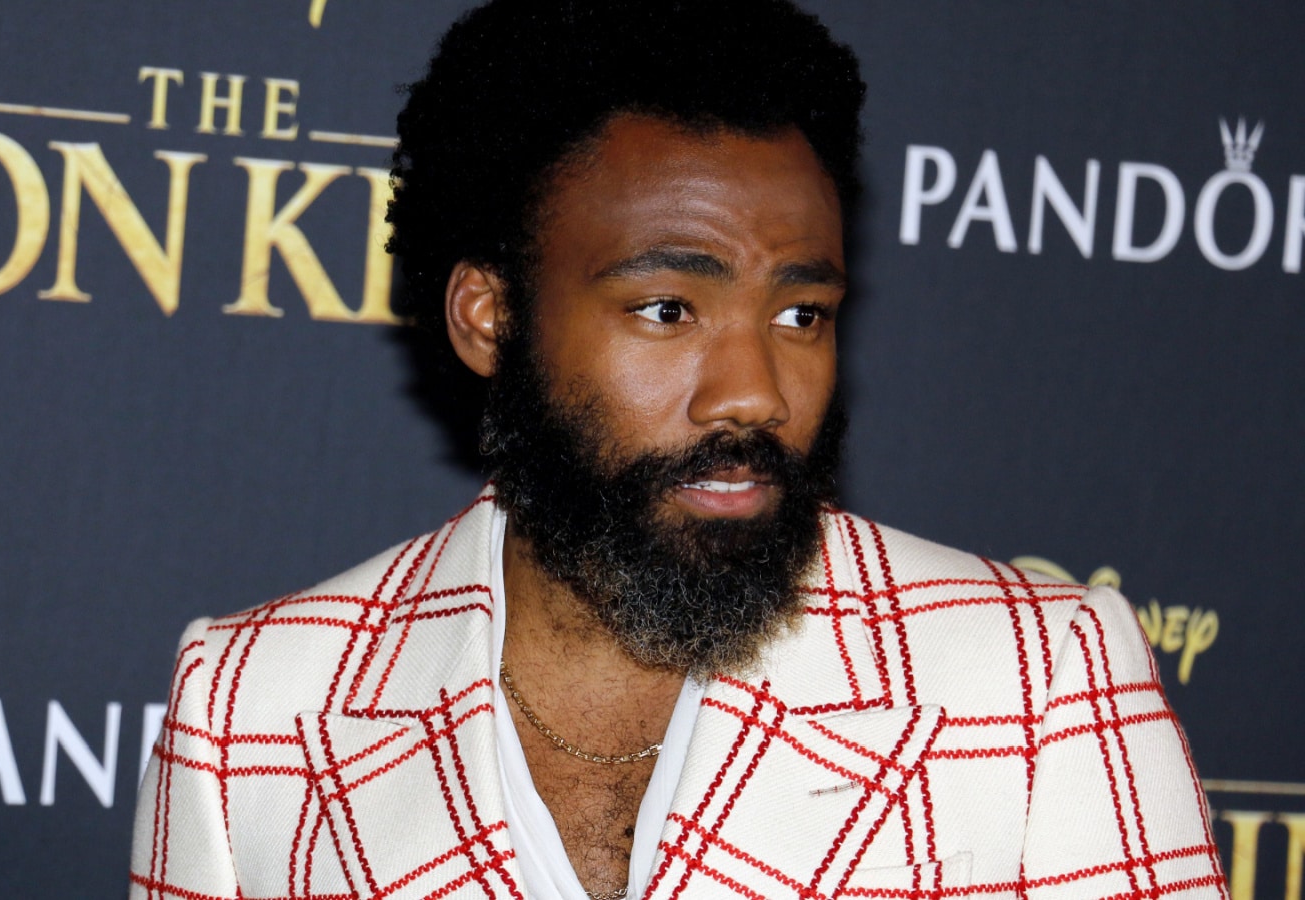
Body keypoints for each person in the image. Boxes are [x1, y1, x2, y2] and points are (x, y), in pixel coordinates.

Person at [129, 1, 1226, 898]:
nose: (752, 391)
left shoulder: (1034, 682)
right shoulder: (254, 706)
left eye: (801, 315)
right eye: (666, 309)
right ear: (487, 317)